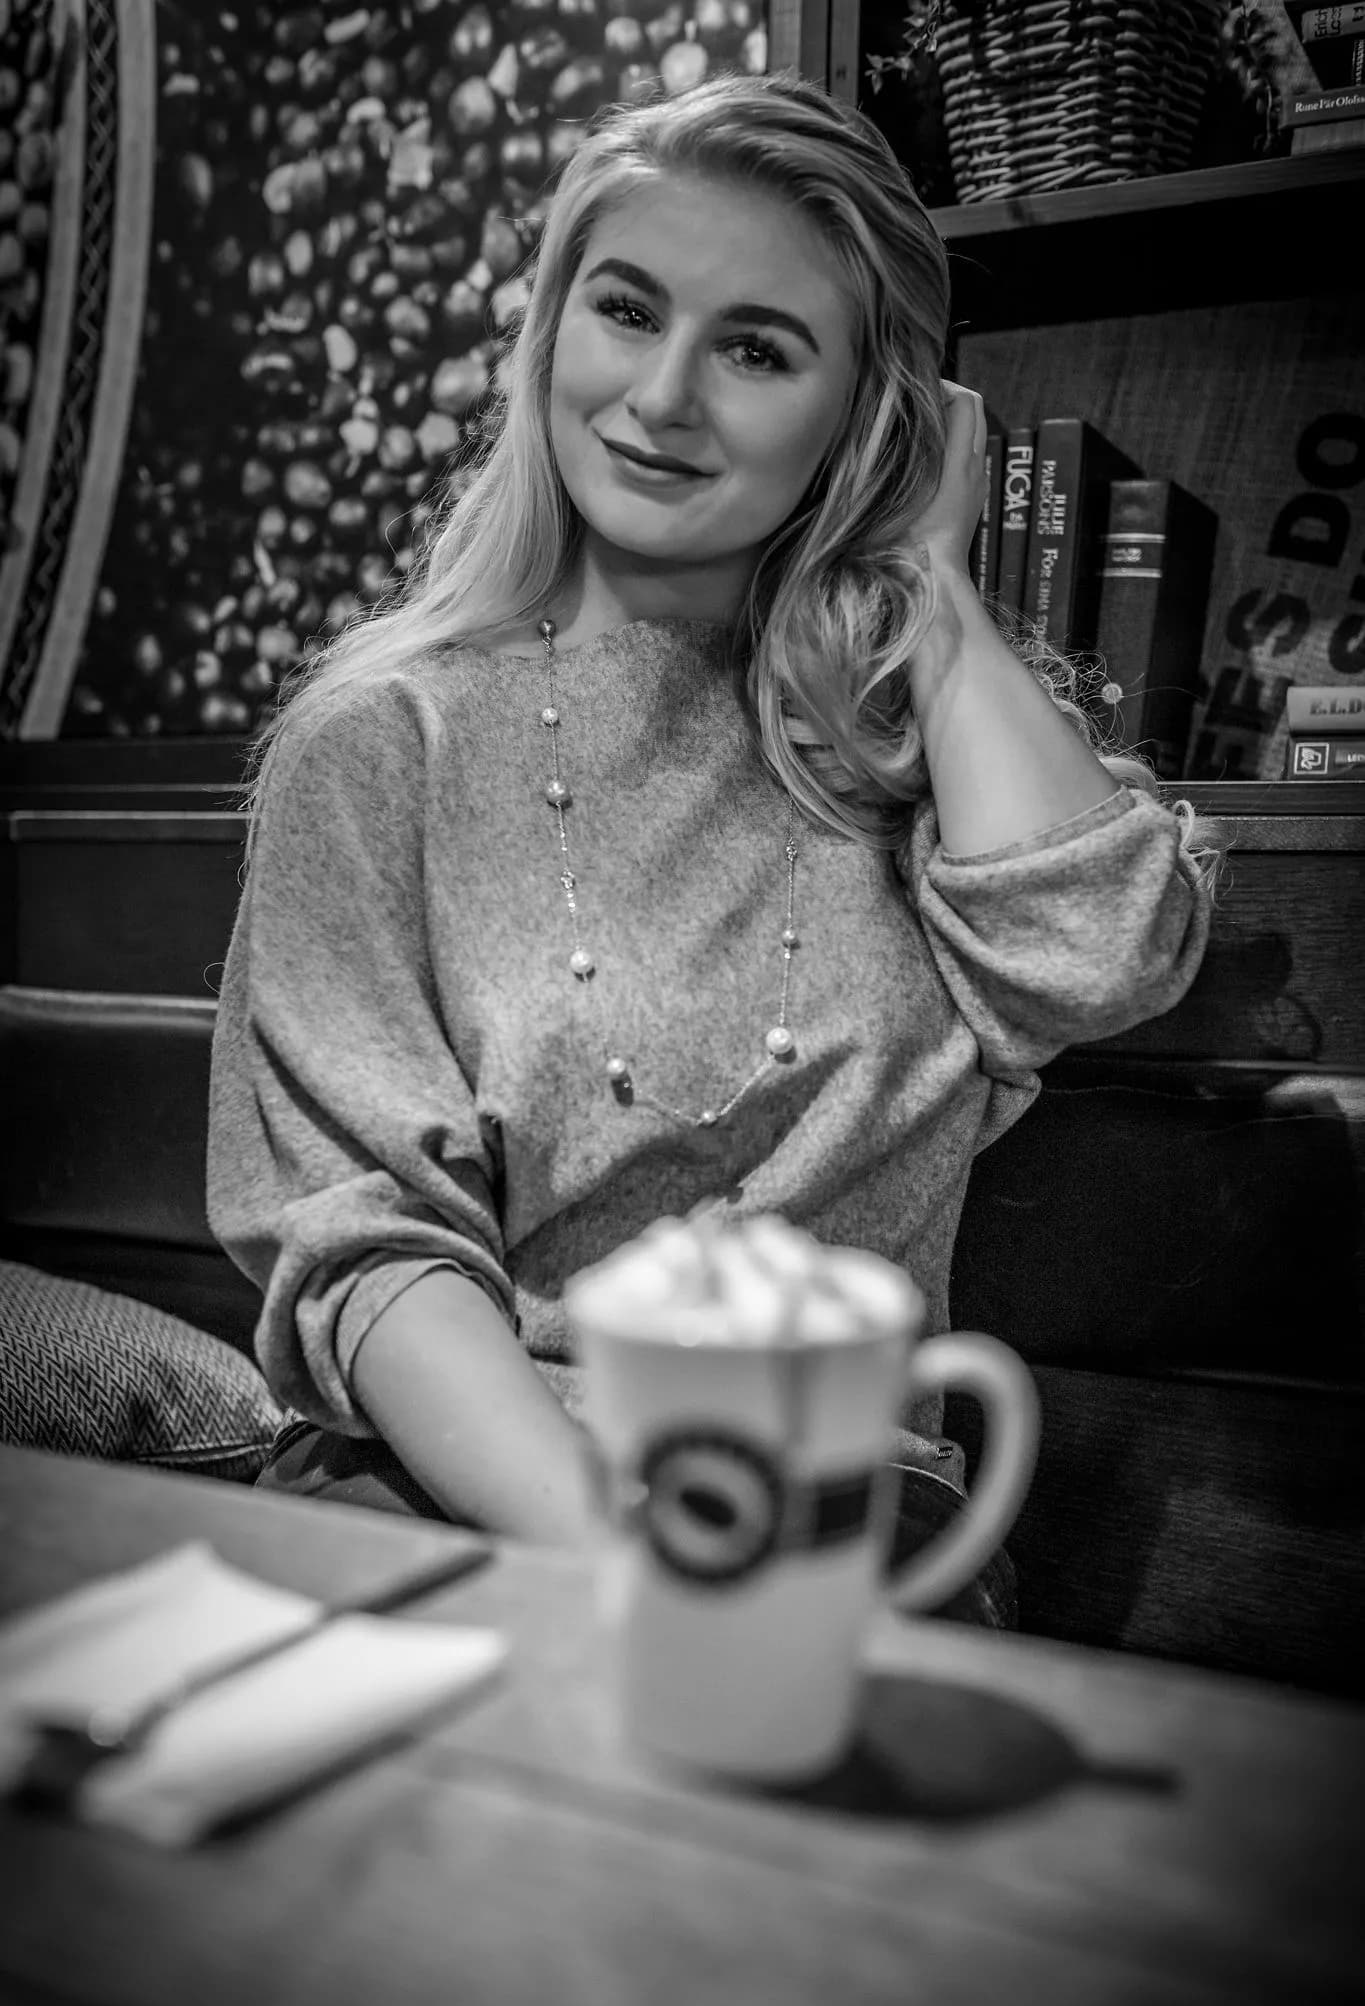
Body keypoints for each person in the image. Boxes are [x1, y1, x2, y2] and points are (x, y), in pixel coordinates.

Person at [207, 70, 1215, 1622]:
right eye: (625, 310)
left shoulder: (907, 742)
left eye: (755, 347)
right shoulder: (376, 747)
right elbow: (368, 1247)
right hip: (459, 1484)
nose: (664, 395)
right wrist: (620, 1561)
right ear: (551, 333)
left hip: (844, 1506)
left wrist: (930, 589)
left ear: (862, 410)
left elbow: (1093, 958)